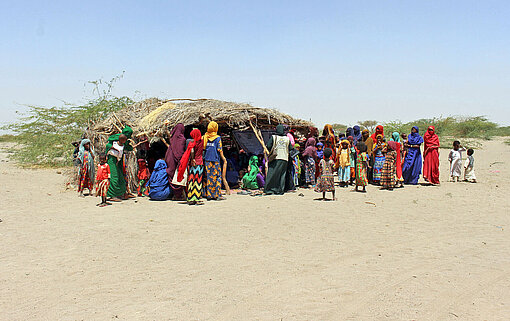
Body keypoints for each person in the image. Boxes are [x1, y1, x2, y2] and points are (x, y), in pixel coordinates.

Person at [106, 126, 133, 201]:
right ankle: (112, 195)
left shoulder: (125, 140)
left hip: (119, 160)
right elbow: (108, 145)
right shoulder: (116, 138)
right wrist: (114, 148)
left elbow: (128, 147)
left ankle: (121, 193)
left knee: (121, 176)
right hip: (112, 159)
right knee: (114, 177)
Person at [177, 128, 204, 205]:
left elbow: (191, 151)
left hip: (193, 164)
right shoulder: (202, 141)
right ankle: (197, 198)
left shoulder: (192, 142)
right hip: (199, 163)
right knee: (198, 181)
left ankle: (191, 197)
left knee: (191, 180)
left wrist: (192, 159)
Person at [203, 121, 228, 200]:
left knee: (208, 177)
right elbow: (220, 149)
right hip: (215, 160)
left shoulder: (205, 137)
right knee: (216, 177)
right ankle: (216, 195)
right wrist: (224, 158)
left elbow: (203, 148)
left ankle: (208, 194)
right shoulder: (217, 138)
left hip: (207, 160)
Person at [265, 124, 291, 195]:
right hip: (285, 158)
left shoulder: (274, 137)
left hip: (276, 157)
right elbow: (291, 148)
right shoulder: (287, 139)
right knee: (282, 175)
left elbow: (269, 146)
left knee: (272, 174)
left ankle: (270, 189)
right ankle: (280, 190)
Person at [164, 123, 186, 200]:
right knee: (178, 177)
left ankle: (174, 194)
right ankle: (178, 195)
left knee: (171, 175)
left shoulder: (172, 138)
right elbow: (179, 153)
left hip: (170, 159)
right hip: (176, 160)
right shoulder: (181, 139)